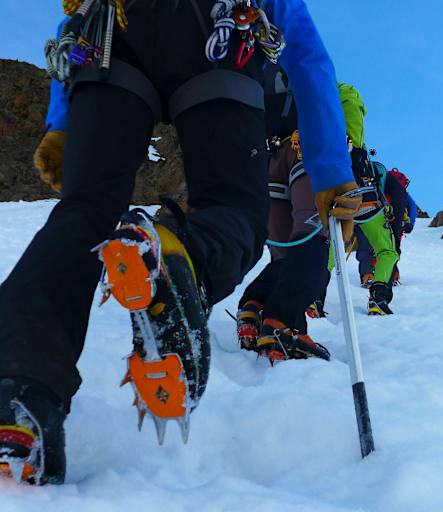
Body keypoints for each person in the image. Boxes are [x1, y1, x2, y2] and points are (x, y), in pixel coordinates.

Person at [0, 0, 359, 485]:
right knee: (232, 207)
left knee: (83, 212)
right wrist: (330, 169)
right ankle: (176, 255)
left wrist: (62, 123)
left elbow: (74, 20)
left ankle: (18, 395)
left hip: (111, 35)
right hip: (220, 32)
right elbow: (307, 55)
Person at [235, 64, 330, 363]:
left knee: (285, 253)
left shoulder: (264, 71)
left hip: (268, 158)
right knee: (313, 238)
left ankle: (255, 305)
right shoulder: (326, 85)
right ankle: (282, 322)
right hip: (304, 151)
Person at [338, 84, 399, 315]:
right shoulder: (349, 100)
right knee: (387, 251)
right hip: (366, 197)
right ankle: (379, 298)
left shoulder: (321, 117)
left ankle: (314, 298)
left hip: (333, 190)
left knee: (333, 247)